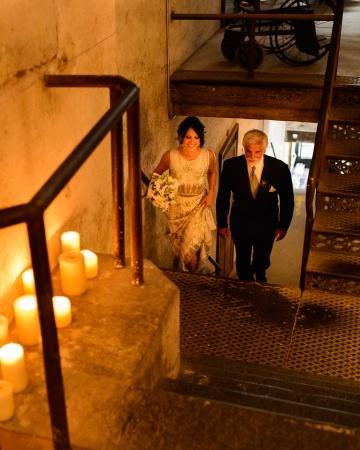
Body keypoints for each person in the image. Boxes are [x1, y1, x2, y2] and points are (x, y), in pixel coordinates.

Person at [216, 129, 294, 282]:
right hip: (241, 222)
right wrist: (222, 223)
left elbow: (287, 199)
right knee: (242, 262)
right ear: (244, 148)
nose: (252, 157)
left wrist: (283, 225)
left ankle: (260, 281)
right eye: (248, 152)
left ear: (264, 150)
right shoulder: (231, 166)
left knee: (261, 261)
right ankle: (244, 289)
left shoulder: (279, 169)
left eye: (257, 152)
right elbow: (223, 195)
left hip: (267, 223)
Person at [151, 116, 217, 272]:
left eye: (196, 137)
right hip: (176, 209)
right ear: (181, 137)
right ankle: (191, 279)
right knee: (181, 249)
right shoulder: (170, 156)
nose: (192, 141)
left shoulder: (209, 156)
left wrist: (212, 192)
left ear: (201, 138)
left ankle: (193, 280)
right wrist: (162, 194)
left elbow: (213, 172)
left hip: (198, 206)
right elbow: (156, 176)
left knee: (190, 249)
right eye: (188, 137)